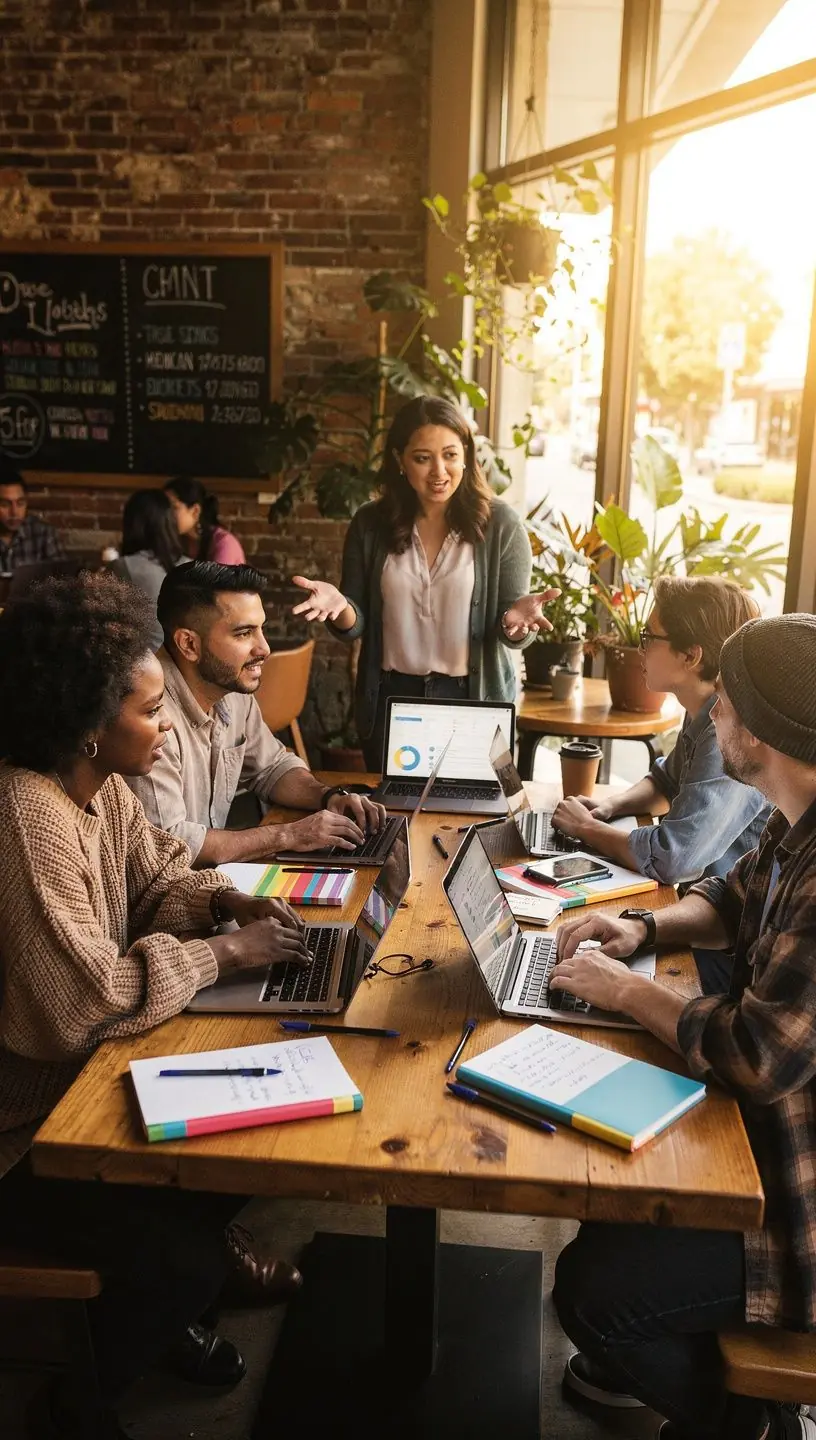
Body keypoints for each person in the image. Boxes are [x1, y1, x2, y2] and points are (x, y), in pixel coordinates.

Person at [0, 572, 308, 1440]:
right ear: (90, 727)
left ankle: (160, 1311)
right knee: (177, 1258)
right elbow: (80, 1004)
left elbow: (162, 878)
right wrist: (219, 954)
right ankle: (73, 1403)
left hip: (77, 1092)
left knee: (232, 1160)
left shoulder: (96, 792)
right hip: (22, 1134)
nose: (164, 722)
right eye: (146, 710)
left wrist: (222, 906)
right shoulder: (28, 814)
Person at [549, 612, 816, 1440]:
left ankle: (747, 1424)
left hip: (798, 1194)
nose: (712, 720)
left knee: (594, 1292)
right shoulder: (794, 818)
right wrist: (642, 934)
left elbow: (759, 1056)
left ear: (764, 729)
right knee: (615, 1200)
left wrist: (627, 994)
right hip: (766, 1138)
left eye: (725, 705)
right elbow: (730, 899)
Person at [288, 395, 558, 769]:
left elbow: (510, 627)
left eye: (450, 454)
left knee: (477, 814)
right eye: (422, 458)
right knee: (395, 817)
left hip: (473, 701)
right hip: (392, 702)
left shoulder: (502, 526)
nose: (439, 471)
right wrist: (342, 609)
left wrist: (515, 623)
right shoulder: (370, 523)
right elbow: (356, 621)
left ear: (466, 454)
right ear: (399, 460)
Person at [551, 575, 770, 993]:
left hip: (728, 954)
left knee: (570, 959)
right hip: (696, 913)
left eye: (649, 637)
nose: (640, 648)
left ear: (691, 655)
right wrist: (608, 808)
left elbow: (675, 857)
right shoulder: (701, 709)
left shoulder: (729, 734)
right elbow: (666, 778)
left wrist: (586, 829)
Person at [127, 560, 386, 864]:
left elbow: (272, 767)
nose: (264, 648)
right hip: (169, 897)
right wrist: (289, 835)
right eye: (243, 633)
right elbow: (172, 843)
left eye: (261, 629)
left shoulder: (229, 688)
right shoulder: (150, 717)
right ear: (188, 644)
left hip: (214, 883)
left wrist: (329, 797)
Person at [106, 488, 186, 648]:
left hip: (145, 663)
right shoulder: (190, 565)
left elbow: (105, 618)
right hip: (185, 663)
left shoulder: (125, 566)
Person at [0, 461, 65, 572]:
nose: (14, 512)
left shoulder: (43, 534)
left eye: (20, 503)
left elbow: (61, 581)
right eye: (5, 504)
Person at [165, 475, 247, 564]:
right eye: (164, 507)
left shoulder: (224, 543)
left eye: (174, 508)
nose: (166, 513)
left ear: (195, 511)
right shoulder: (176, 539)